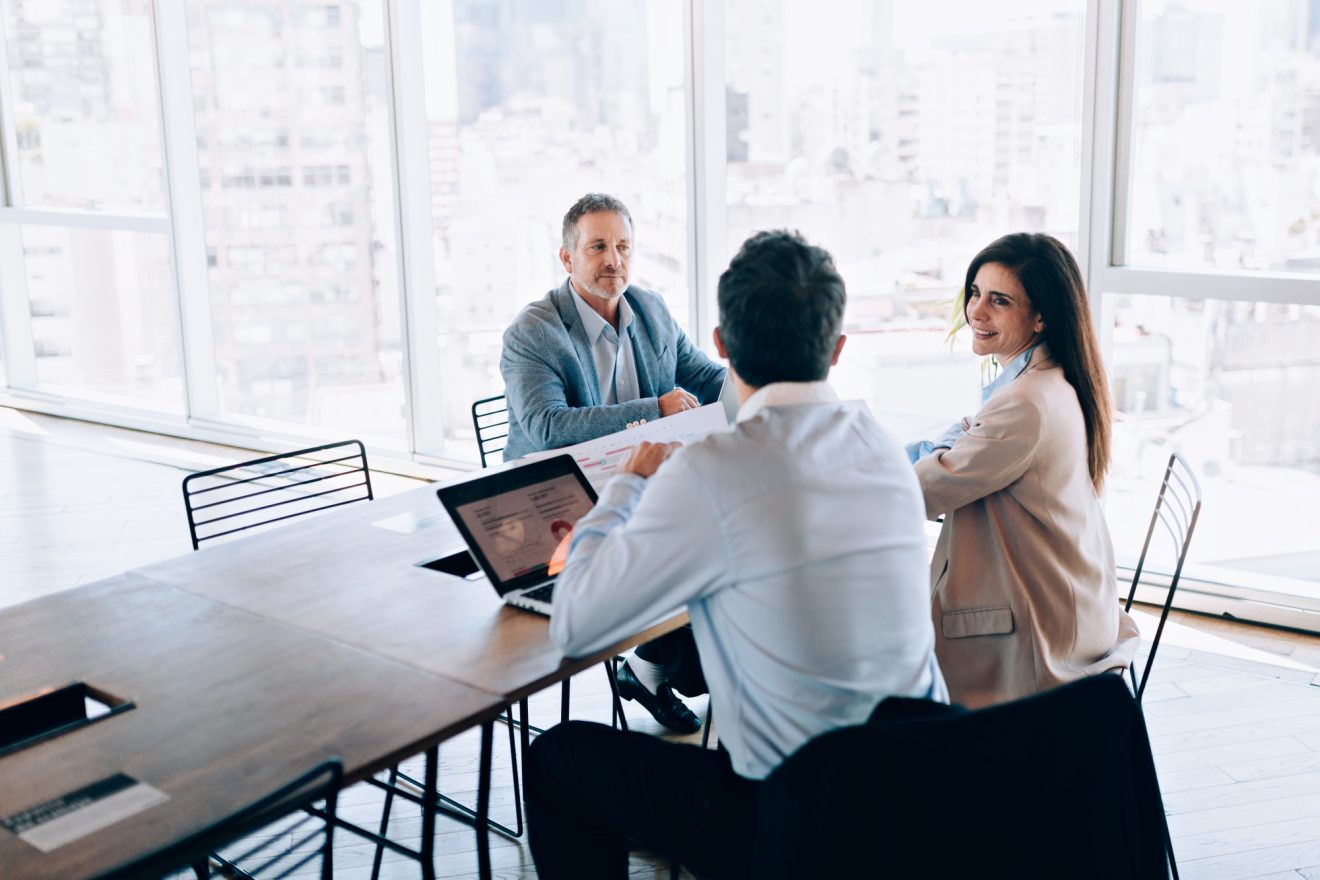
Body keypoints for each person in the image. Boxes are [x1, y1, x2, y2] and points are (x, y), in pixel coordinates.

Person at [525, 230, 945, 880]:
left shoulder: (712, 471)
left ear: (720, 345)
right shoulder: (882, 446)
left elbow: (577, 625)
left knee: (559, 760)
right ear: (837, 348)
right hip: (918, 792)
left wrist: (629, 485)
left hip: (795, 822)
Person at [500, 193, 727, 733]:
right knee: (681, 549)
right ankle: (654, 665)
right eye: (597, 247)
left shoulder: (651, 309)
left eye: (623, 246)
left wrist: (764, 388)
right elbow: (548, 426)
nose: (614, 261)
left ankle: (649, 665)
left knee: (723, 532)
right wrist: (654, 409)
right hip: (553, 502)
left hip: (637, 489)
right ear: (567, 257)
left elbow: (705, 377)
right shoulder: (534, 331)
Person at [909, 232, 1139, 709]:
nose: (976, 312)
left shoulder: (1026, 403)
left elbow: (923, 492)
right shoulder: (1045, 378)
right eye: (975, 293)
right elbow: (967, 434)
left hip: (1043, 635)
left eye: (1000, 301)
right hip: (1070, 604)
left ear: (1041, 317)